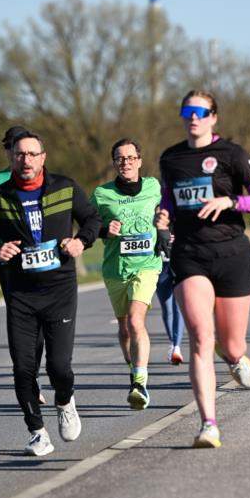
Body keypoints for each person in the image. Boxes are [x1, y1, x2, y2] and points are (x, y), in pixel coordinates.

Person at [158, 89, 250, 448]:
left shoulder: (232, 154)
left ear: (213, 117)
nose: (193, 117)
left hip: (231, 254)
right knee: (200, 336)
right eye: (187, 111)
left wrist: (231, 200)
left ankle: (236, 356)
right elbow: (168, 202)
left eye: (200, 111)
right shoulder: (171, 158)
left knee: (231, 343)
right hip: (190, 254)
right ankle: (209, 424)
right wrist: (162, 219)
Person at [0, 131, 100, 455]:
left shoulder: (65, 187)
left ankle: (64, 400)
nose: (25, 160)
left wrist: (80, 241)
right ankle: (37, 431)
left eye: (32, 154)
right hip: (20, 295)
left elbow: (92, 219)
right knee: (23, 367)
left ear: (43, 157)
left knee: (59, 367)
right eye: (19, 154)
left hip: (59, 290)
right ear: (10, 158)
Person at [0, 125, 47, 405]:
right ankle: (26, 375)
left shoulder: (44, 179)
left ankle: (33, 373)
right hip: (11, 263)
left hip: (43, 260)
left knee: (41, 326)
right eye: (9, 147)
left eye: (16, 146)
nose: (13, 152)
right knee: (22, 320)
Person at [90, 138, 162, 410]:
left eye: (131, 158)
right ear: (114, 163)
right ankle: (134, 367)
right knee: (124, 329)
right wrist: (102, 231)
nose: (126, 162)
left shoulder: (154, 187)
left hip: (147, 265)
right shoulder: (101, 194)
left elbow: (168, 211)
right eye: (120, 158)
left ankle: (139, 382)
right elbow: (86, 224)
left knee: (135, 321)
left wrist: (167, 229)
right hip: (115, 268)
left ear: (140, 161)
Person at [155, 229, 185, 365]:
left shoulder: (178, 214)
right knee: (167, 307)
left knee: (178, 306)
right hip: (161, 266)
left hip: (180, 264)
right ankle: (172, 343)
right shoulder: (152, 215)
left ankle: (176, 347)